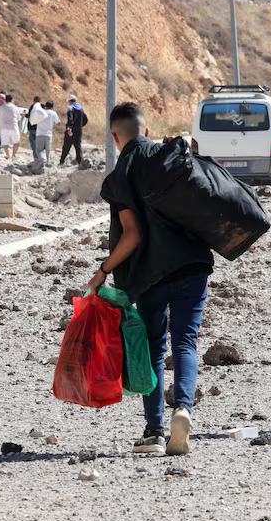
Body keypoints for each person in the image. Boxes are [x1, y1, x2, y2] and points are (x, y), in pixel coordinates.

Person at [92, 102, 214, 456]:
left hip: (149, 276)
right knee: (186, 342)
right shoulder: (172, 155)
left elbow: (131, 235)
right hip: (192, 265)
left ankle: (154, 432)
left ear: (115, 137)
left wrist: (102, 271)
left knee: (153, 349)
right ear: (145, 129)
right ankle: (183, 409)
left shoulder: (121, 174)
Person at [60, 95, 87, 166]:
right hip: (79, 131)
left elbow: (70, 119)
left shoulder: (70, 108)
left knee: (66, 146)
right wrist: (80, 126)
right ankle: (80, 163)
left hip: (71, 130)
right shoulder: (82, 109)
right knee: (78, 147)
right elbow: (86, 120)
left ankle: (61, 162)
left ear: (70, 101)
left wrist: (69, 128)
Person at [0, 94, 21, 160]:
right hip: (14, 126)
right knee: (16, 142)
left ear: (5, 100)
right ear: (12, 100)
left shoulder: (1, 107)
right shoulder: (15, 108)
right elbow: (18, 118)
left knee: (5, 143)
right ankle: (14, 155)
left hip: (4, 127)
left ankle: (8, 155)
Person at [35, 101, 60, 166]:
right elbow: (58, 122)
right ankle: (47, 163)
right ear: (52, 107)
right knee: (47, 151)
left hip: (39, 134)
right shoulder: (53, 113)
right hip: (49, 134)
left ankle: (42, 161)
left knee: (39, 150)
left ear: (45, 106)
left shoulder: (41, 112)